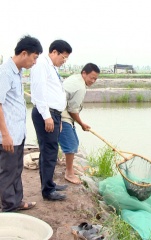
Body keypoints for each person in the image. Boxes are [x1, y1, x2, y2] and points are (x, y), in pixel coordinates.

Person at [0, 35, 43, 212]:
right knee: (8, 171)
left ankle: (16, 201)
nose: (34, 62)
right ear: (24, 53)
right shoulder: (4, 72)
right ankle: (9, 207)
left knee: (16, 169)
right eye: (34, 57)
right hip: (8, 134)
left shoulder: (17, 72)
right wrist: (5, 135)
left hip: (17, 133)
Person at [31, 40, 72, 201]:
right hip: (45, 114)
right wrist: (47, 116)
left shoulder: (52, 68)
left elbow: (53, 94)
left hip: (53, 114)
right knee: (49, 150)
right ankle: (47, 190)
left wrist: (58, 117)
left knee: (50, 150)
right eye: (63, 57)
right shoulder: (41, 65)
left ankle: (49, 184)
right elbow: (38, 92)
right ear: (54, 52)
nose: (64, 61)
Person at [59, 63, 100, 184]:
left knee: (74, 142)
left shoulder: (75, 78)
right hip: (61, 114)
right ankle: (69, 173)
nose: (93, 81)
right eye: (91, 77)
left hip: (62, 111)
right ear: (84, 73)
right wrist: (82, 124)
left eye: (95, 79)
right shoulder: (80, 87)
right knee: (71, 144)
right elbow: (72, 110)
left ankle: (69, 169)